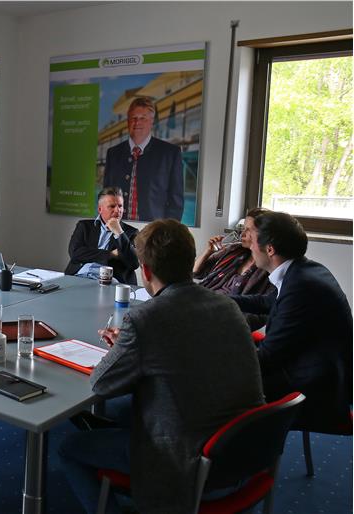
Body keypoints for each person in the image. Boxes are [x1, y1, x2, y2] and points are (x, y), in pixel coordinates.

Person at [59, 219, 264, 513]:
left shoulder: (145, 318)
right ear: (190, 261)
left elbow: (100, 384)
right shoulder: (228, 306)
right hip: (246, 453)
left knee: (70, 447)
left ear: (145, 271)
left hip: (190, 464)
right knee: (125, 412)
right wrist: (133, 347)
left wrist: (124, 349)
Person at [230, 211, 352, 432]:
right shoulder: (305, 270)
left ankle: (244, 449)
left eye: (252, 239)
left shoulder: (301, 286)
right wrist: (221, 299)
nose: (250, 247)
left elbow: (268, 358)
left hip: (314, 389)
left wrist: (219, 365)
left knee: (223, 391)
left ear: (270, 249)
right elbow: (267, 302)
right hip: (312, 367)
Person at [102, 97, 184, 222]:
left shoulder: (170, 154)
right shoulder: (113, 154)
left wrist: (166, 231)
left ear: (152, 122)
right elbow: (106, 198)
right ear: (128, 121)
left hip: (153, 232)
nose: (137, 122)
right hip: (117, 229)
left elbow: (176, 203)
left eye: (143, 118)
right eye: (133, 118)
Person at [193, 207, 275, 328]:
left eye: (248, 230)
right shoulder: (234, 250)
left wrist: (225, 323)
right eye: (243, 228)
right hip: (200, 303)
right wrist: (208, 252)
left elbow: (262, 314)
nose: (242, 234)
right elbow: (196, 273)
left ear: (262, 234)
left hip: (221, 321)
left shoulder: (270, 268)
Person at [64, 187, 139, 285]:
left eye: (120, 206)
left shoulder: (131, 232)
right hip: (79, 276)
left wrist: (119, 232)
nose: (118, 210)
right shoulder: (84, 226)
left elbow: (133, 264)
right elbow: (75, 254)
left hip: (111, 282)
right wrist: (110, 254)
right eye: (112, 206)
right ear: (100, 209)